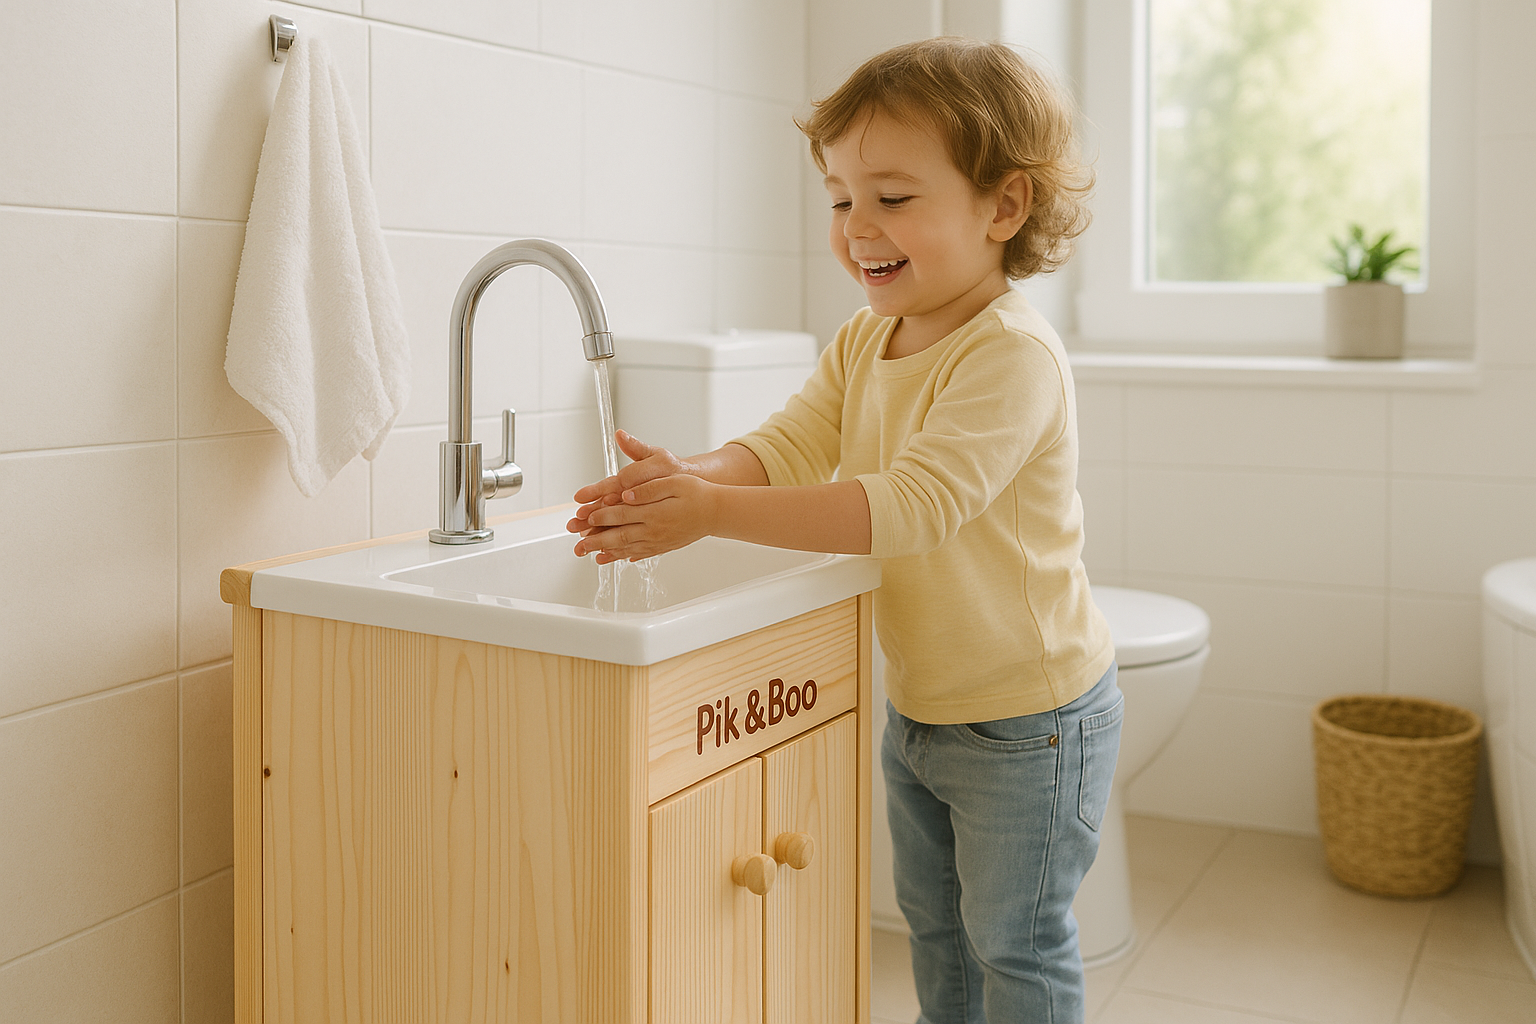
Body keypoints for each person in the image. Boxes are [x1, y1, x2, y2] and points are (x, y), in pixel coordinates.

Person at [569, 36, 1121, 1024]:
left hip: (1031, 719)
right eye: (839, 197)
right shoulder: (869, 335)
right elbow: (793, 442)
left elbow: (909, 507)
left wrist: (711, 515)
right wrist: (683, 479)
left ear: (1004, 206)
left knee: (1019, 947)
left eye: (893, 197)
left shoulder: (1012, 355)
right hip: (924, 707)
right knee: (935, 927)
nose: (857, 225)